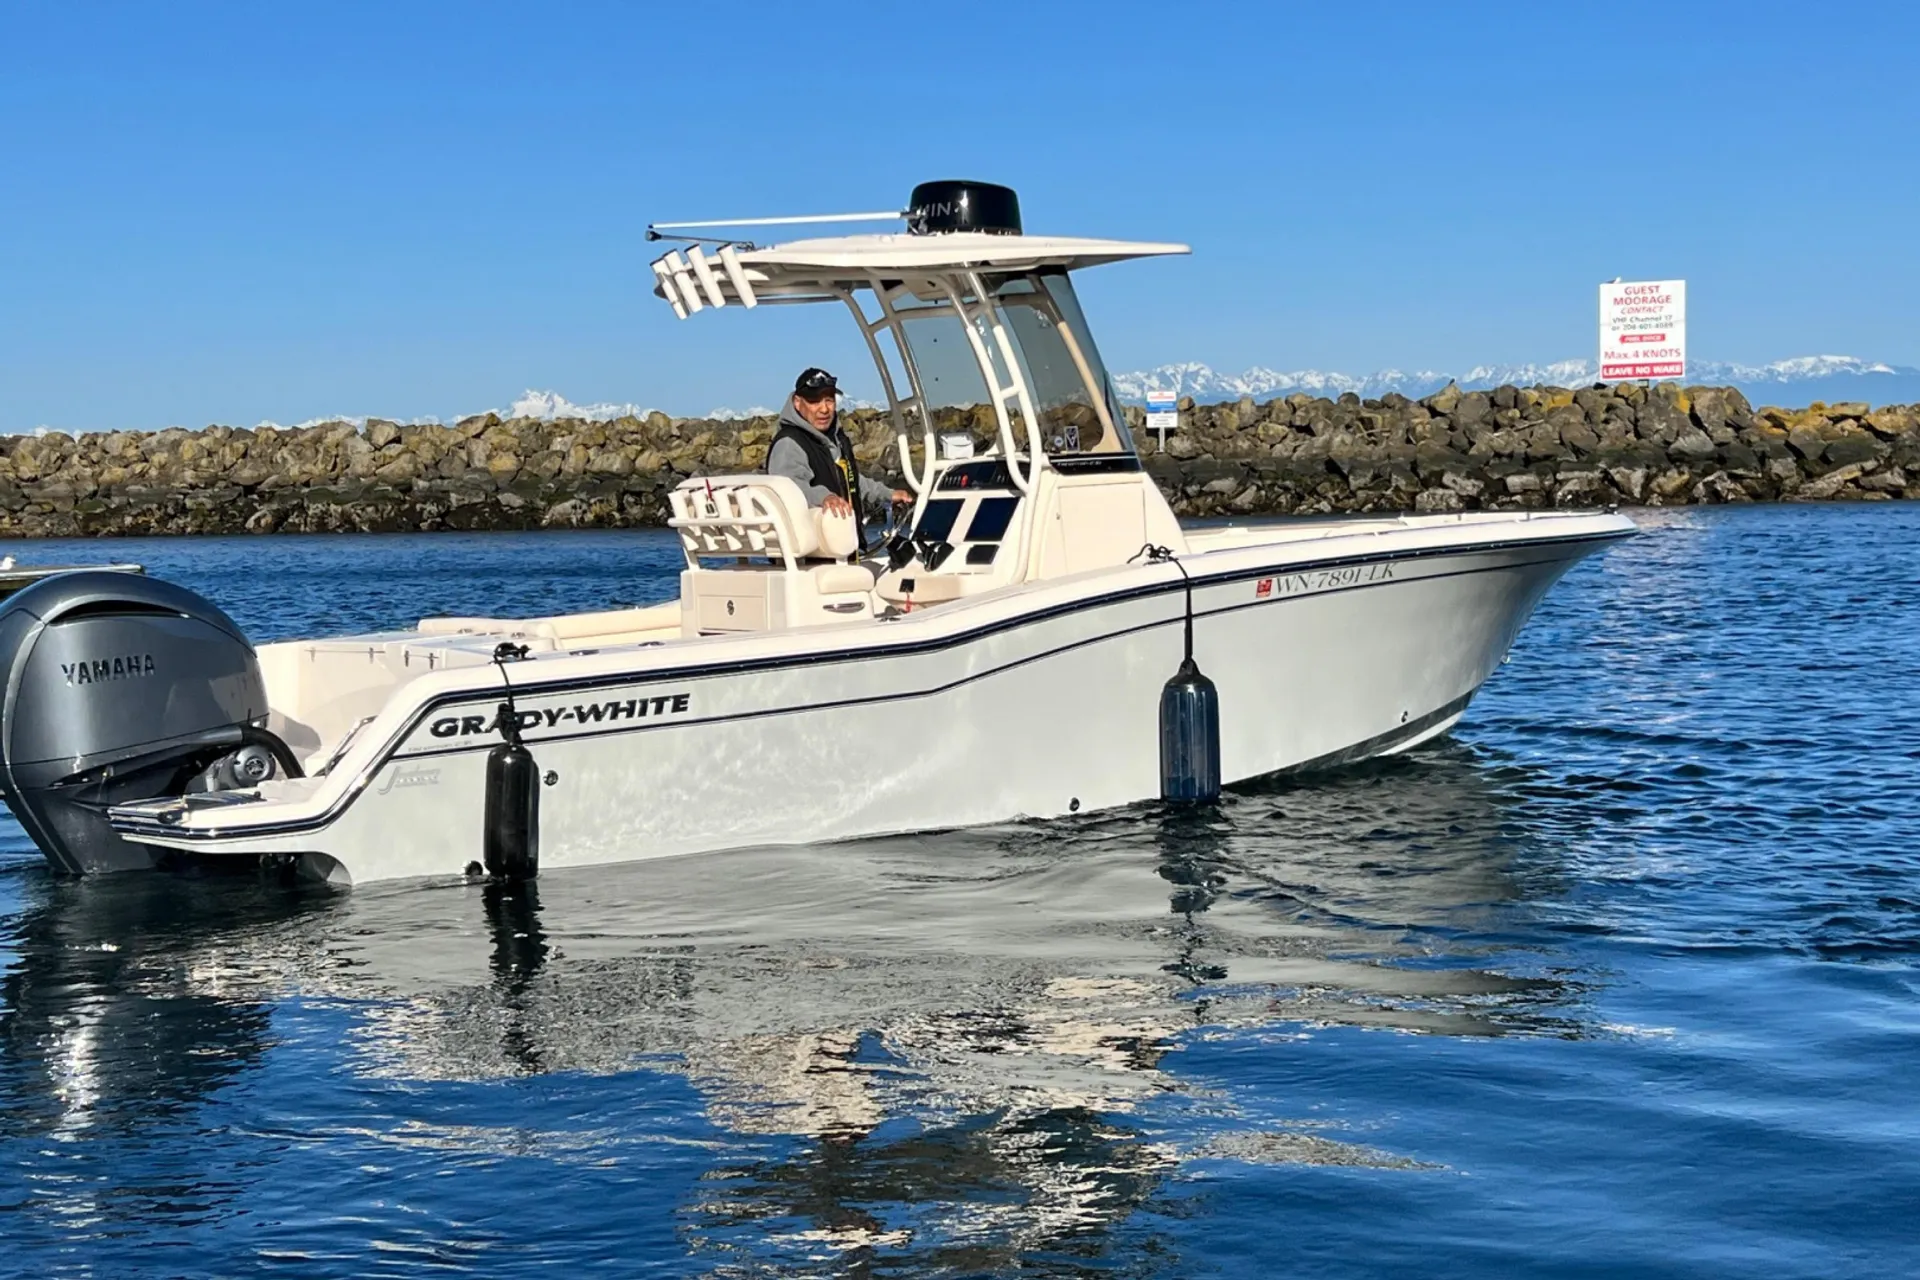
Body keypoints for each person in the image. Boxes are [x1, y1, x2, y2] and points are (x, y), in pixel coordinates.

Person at [766, 367, 910, 549]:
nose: (824, 409)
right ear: (797, 402)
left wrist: (887, 494)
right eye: (814, 401)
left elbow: (850, 480)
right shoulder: (789, 443)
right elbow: (789, 490)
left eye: (829, 400)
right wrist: (825, 497)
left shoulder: (835, 439)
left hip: (845, 548)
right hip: (814, 555)